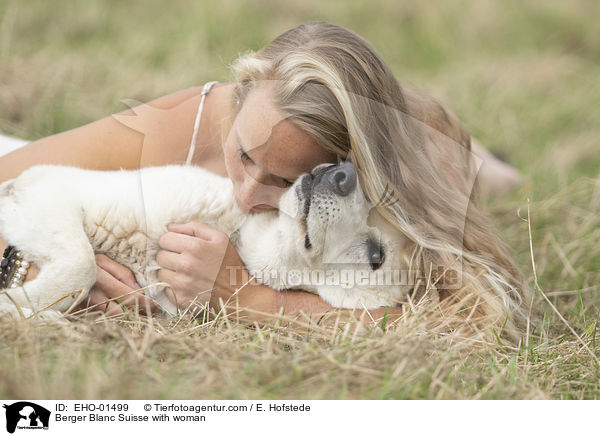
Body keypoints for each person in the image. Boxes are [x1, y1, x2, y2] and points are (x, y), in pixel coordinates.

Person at [0, 22, 526, 338]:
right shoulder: (189, 122)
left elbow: (463, 325)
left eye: (286, 179)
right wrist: (24, 267)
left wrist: (253, 300)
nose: (248, 193)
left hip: (420, 149)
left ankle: (493, 162)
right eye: (245, 155)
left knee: (479, 170)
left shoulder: (402, 178)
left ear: (349, 171)